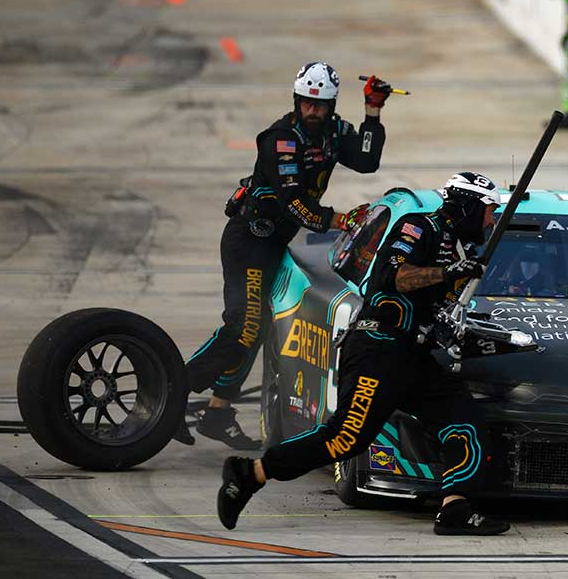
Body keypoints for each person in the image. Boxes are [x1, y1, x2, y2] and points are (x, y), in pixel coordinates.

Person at [217, 172, 511, 536]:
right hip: (378, 348)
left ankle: (455, 508)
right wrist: (448, 272)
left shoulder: (462, 249)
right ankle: (250, 473)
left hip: (416, 358)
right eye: (488, 210)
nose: (491, 219)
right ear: (467, 206)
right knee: (346, 438)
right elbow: (395, 278)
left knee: (465, 423)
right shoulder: (418, 227)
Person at [181, 62, 390, 448]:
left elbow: (366, 161)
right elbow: (293, 203)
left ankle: (217, 412)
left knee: (256, 329)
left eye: (320, 105)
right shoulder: (281, 138)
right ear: (296, 100)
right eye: (307, 103)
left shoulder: (335, 131)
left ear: (330, 105)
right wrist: (339, 220)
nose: (313, 111)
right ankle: (172, 392)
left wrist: (372, 112)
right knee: (243, 327)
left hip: (273, 243)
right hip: (249, 239)